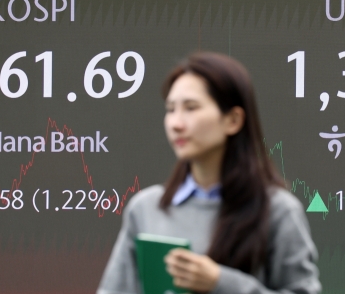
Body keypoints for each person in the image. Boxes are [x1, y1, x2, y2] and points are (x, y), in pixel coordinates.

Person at [97, 52, 321, 294]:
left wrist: (221, 283)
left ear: (233, 120)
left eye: (191, 108)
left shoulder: (278, 211)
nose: (176, 123)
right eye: (171, 109)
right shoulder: (145, 209)